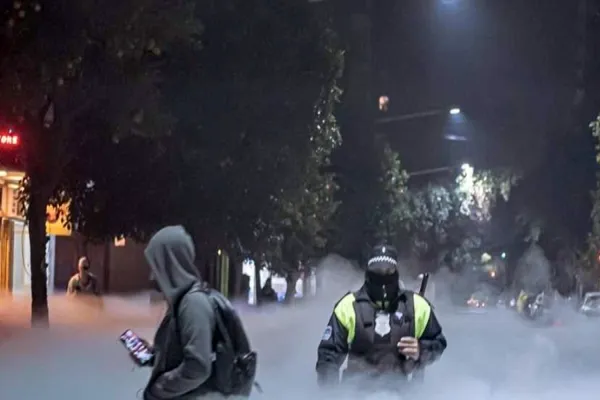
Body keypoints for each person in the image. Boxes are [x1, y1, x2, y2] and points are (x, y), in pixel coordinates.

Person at [143, 225, 256, 400]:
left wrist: (158, 389)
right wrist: (153, 355)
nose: (152, 276)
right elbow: (184, 355)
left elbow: (198, 367)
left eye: (156, 266)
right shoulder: (188, 301)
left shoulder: (193, 304)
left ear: (171, 264)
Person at [315, 244, 447, 392]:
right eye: (377, 270)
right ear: (368, 272)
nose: (383, 276)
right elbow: (329, 355)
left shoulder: (417, 305)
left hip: (402, 392)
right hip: (356, 392)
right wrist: (331, 393)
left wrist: (421, 350)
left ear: (396, 271)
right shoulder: (348, 306)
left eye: (388, 270)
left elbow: (438, 342)